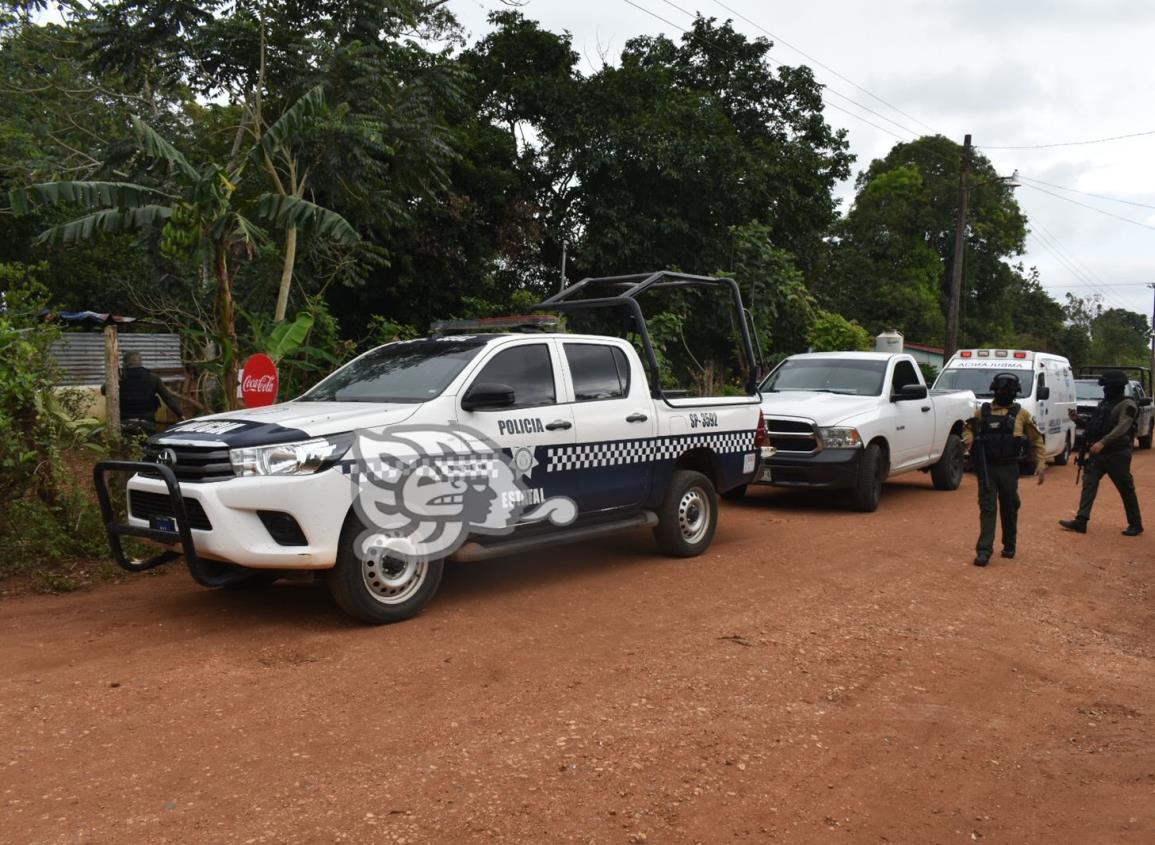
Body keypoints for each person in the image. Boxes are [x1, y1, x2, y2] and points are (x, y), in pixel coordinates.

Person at [962, 372, 1046, 567]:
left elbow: (1036, 440)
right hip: (987, 466)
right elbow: (968, 428)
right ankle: (984, 550)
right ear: (995, 391)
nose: (1005, 394)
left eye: (1009, 391)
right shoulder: (982, 412)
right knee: (987, 507)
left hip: (1009, 467)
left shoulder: (1022, 414)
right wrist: (969, 437)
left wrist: (1041, 464)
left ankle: (1009, 544)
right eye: (1001, 390)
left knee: (1010, 506)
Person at [1059, 369, 1144, 536]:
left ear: (1116, 388)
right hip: (1098, 454)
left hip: (1116, 454)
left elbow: (1122, 427)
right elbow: (1094, 426)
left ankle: (1135, 524)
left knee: (1125, 488)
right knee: (1089, 484)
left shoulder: (1127, 405)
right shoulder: (1105, 404)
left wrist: (1103, 442)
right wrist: (1077, 419)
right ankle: (1081, 521)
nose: (1104, 390)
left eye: (1107, 387)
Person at [106, 350, 183, 435]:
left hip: (125, 423)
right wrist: (180, 414)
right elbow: (167, 398)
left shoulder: (119, 378)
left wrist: (114, 377)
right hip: (147, 423)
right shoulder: (153, 378)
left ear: (125, 363)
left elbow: (104, 391)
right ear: (140, 362)